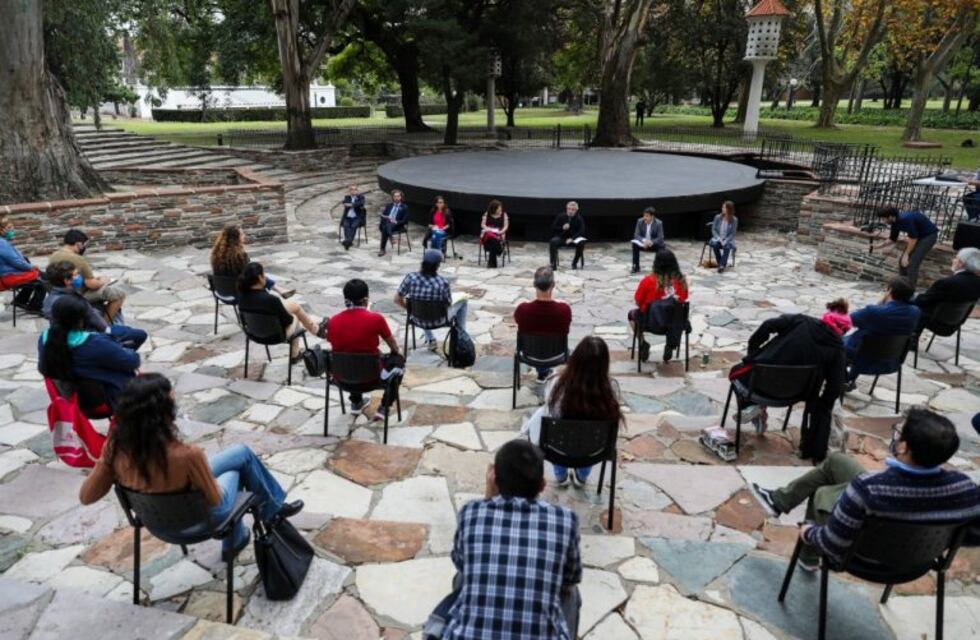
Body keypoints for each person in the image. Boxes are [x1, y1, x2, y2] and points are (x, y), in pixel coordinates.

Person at [78, 374, 304, 560]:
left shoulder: (115, 447)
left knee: (241, 453)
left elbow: (86, 497)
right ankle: (266, 516)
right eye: (172, 400)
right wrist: (202, 471)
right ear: (163, 412)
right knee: (236, 469)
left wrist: (105, 465)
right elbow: (215, 499)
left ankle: (263, 518)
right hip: (200, 521)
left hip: (155, 522)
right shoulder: (187, 455)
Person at [750, 407, 980, 572]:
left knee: (823, 494)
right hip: (919, 560)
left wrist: (809, 532)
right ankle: (778, 500)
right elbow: (973, 535)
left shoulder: (868, 490)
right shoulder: (967, 490)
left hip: (863, 558)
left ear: (904, 447)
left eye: (899, 433)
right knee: (837, 461)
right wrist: (934, 536)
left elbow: (833, 544)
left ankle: (808, 557)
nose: (896, 435)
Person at [423, 440, 582, 640]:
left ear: (494, 480)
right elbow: (571, 577)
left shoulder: (471, 512)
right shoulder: (565, 521)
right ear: (542, 485)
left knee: (465, 576)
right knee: (571, 593)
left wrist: (488, 498)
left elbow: (461, 562)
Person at [729, 307, 846, 461]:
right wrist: (823, 402)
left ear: (825, 319)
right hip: (796, 394)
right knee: (761, 379)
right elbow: (836, 385)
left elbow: (768, 324)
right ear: (843, 331)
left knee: (737, 373)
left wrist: (753, 350)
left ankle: (755, 407)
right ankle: (757, 409)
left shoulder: (801, 321)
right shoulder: (837, 349)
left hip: (757, 384)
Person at [528, 336, 622, 487]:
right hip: (594, 451)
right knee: (591, 434)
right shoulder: (611, 388)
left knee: (555, 429)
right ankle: (582, 476)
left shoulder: (556, 383)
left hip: (558, 449)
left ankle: (561, 475)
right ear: (605, 363)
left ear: (575, 359)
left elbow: (552, 412)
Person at [38, 295, 140, 409]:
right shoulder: (93, 343)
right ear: (81, 320)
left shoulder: (44, 339)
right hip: (102, 401)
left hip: (68, 398)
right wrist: (128, 351)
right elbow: (132, 362)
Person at [325, 279, 404, 422]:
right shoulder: (375, 319)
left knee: (349, 357)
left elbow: (339, 345)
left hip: (342, 378)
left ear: (346, 299)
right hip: (372, 379)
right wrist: (395, 351)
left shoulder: (333, 321)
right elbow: (392, 343)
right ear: (366, 299)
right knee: (398, 360)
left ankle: (356, 402)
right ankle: (384, 407)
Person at [43, 260, 147, 350]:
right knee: (139, 334)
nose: (79, 277)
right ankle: (117, 350)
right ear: (66, 281)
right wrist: (107, 331)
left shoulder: (55, 296)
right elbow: (90, 318)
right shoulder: (68, 302)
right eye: (75, 275)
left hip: (84, 330)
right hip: (88, 334)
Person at [843, 277, 920, 391]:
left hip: (862, 358)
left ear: (889, 290)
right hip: (891, 360)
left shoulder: (875, 312)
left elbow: (848, 320)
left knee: (832, 340)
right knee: (868, 339)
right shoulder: (915, 312)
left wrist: (880, 304)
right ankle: (849, 380)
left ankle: (841, 378)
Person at [237, 262, 325, 360]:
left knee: (294, 305)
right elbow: (288, 321)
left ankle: (315, 331)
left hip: (254, 334)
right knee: (295, 316)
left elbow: (243, 320)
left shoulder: (241, 297)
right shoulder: (271, 300)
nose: (265, 277)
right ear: (259, 277)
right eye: (264, 274)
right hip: (276, 336)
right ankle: (299, 350)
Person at [49, 229, 127, 324]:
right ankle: (105, 323)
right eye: (84, 244)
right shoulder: (78, 259)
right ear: (78, 244)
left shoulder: (54, 255)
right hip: (78, 293)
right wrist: (104, 280)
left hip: (61, 290)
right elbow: (92, 285)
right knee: (119, 294)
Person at [395, 249, 468, 350]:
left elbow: (397, 299)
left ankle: (431, 339)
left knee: (423, 306)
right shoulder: (442, 283)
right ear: (437, 266)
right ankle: (462, 337)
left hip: (417, 318)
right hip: (439, 320)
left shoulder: (410, 278)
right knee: (463, 300)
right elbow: (447, 304)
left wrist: (410, 310)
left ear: (423, 263)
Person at [628, 249, 689, 363]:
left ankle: (643, 343)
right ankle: (670, 345)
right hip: (675, 325)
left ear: (656, 263)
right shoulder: (681, 281)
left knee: (631, 315)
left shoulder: (647, 281)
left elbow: (638, 301)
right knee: (676, 312)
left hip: (651, 323)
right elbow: (684, 299)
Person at [514, 266, 572, 382]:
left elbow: (518, 321)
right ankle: (544, 372)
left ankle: (543, 372)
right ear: (553, 285)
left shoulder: (523, 310)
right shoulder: (564, 310)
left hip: (529, 355)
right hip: (557, 355)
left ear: (534, 285)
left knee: (539, 343)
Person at [210, 224, 294, 298]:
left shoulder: (215, 254)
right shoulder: (239, 256)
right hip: (239, 292)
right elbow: (248, 275)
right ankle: (278, 290)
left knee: (255, 272)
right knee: (256, 274)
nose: (244, 236)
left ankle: (279, 289)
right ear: (235, 238)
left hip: (222, 292)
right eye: (242, 234)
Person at [913, 246, 980, 330]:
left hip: (934, 322)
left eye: (956, 258)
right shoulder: (978, 283)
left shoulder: (947, 282)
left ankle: (908, 339)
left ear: (961, 263)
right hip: (955, 323)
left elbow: (923, 301)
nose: (953, 260)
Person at [873, 207, 939, 289]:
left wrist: (906, 254)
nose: (882, 221)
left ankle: (910, 290)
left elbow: (913, 238)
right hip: (918, 237)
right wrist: (878, 246)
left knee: (912, 263)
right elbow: (892, 239)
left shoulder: (904, 219)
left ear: (890, 216)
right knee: (902, 262)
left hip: (928, 236)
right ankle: (902, 287)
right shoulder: (894, 222)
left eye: (883, 218)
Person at [549, 202, 586, 270]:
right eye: (569, 209)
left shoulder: (579, 218)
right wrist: (562, 228)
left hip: (573, 238)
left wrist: (572, 238)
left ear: (576, 210)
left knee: (581, 244)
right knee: (553, 241)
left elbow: (581, 231)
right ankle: (553, 264)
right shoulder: (561, 216)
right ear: (566, 209)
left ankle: (574, 263)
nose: (570, 211)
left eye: (573, 209)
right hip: (562, 237)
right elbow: (553, 227)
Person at [630, 207, 665, 274]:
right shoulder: (640, 221)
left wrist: (651, 242)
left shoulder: (659, 223)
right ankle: (635, 267)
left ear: (652, 216)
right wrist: (644, 240)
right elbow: (636, 235)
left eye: (647, 216)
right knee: (634, 244)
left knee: (661, 245)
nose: (644, 218)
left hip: (653, 245)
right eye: (644, 215)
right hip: (643, 244)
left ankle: (658, 268)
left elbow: (660, 237)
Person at [708, 201, 738, 272]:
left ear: (729, 209)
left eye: (724, 207)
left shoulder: (734, 220)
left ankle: (721, 266)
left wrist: (725, 240)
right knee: (715, 245)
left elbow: (732, 233)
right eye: (722, 207)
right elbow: (714, 229)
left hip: (728, 239)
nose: (722, 208)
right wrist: (718, 238)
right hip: (718, 238)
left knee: (727, 247)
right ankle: (721, 263)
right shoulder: (717, 217)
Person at [378, 189, 409, 257]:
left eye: (398, 196)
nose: (396, 198)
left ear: (401, 197)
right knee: (387, 225)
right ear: (393, 197)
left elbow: (405, 221)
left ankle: (382, 249)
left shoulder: (404, 207)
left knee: (385, 228)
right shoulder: (389, 205)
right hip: (388, 223)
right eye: (395, 196)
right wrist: (384, 217)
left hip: (397, 225)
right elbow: (383, 215)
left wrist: (396, 221)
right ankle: (391, 237)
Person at [480, 200, 509, 268]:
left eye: (500, 208)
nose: (500, 209)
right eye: (498, 208)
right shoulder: (487, 214)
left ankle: (492, 264)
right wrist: (488, 229)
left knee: (492, 244)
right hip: (488, 233)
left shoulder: (504, 215)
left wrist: (501, 232)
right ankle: (499, 250)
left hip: (499, 234)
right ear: (494, 209)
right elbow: (483, 225)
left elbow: (506, 226)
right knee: (491, 238)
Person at [340, 184, 367, 250]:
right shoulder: (347, 197)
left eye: (355, 189)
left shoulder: (361, 197)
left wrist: (351, 204)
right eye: (351, 189)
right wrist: (351, 204)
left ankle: (347, 241)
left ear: (357, 191)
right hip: (347, 217)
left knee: (353, 226)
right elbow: (344, 203)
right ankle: (348, 241)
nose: (353, 191)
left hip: (357, 217)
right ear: (349, 191)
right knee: (346, 226)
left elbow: (361, 203)